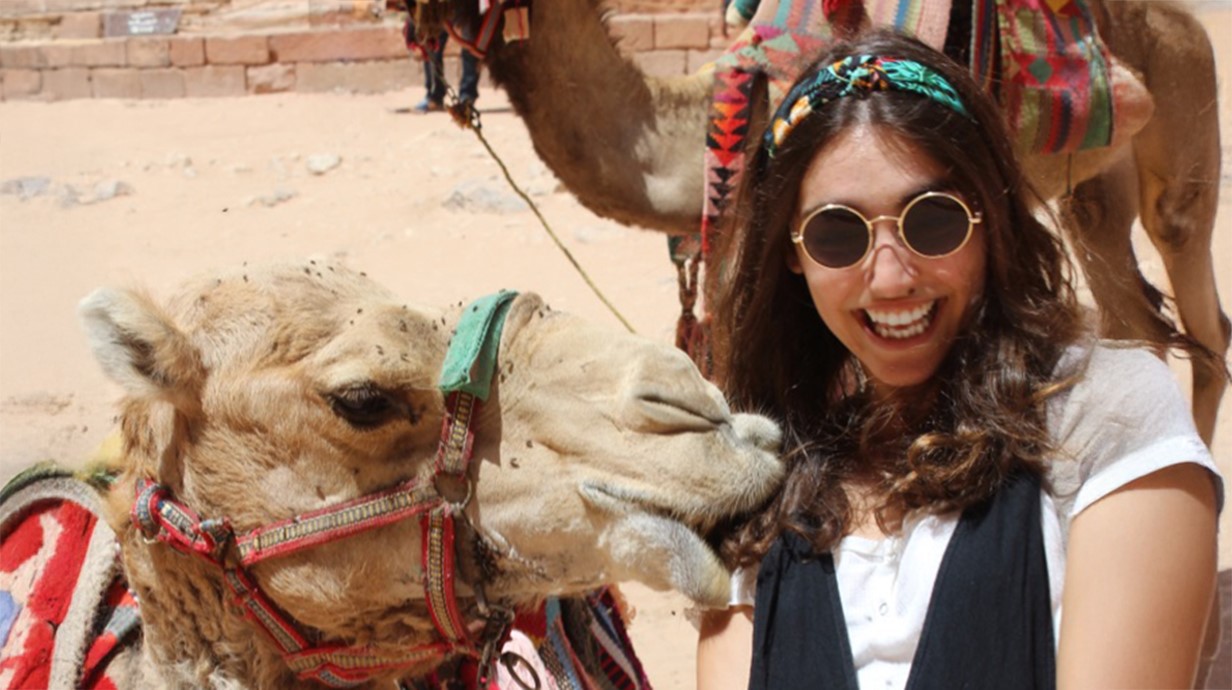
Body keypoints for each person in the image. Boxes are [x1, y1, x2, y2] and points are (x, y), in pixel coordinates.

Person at [696, 30, 1222, 690]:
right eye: (838, 234)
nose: (889, 278)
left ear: (989, 218)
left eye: (932, 220)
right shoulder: (761, 498)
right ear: (792, 253)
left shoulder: (1104, 419)